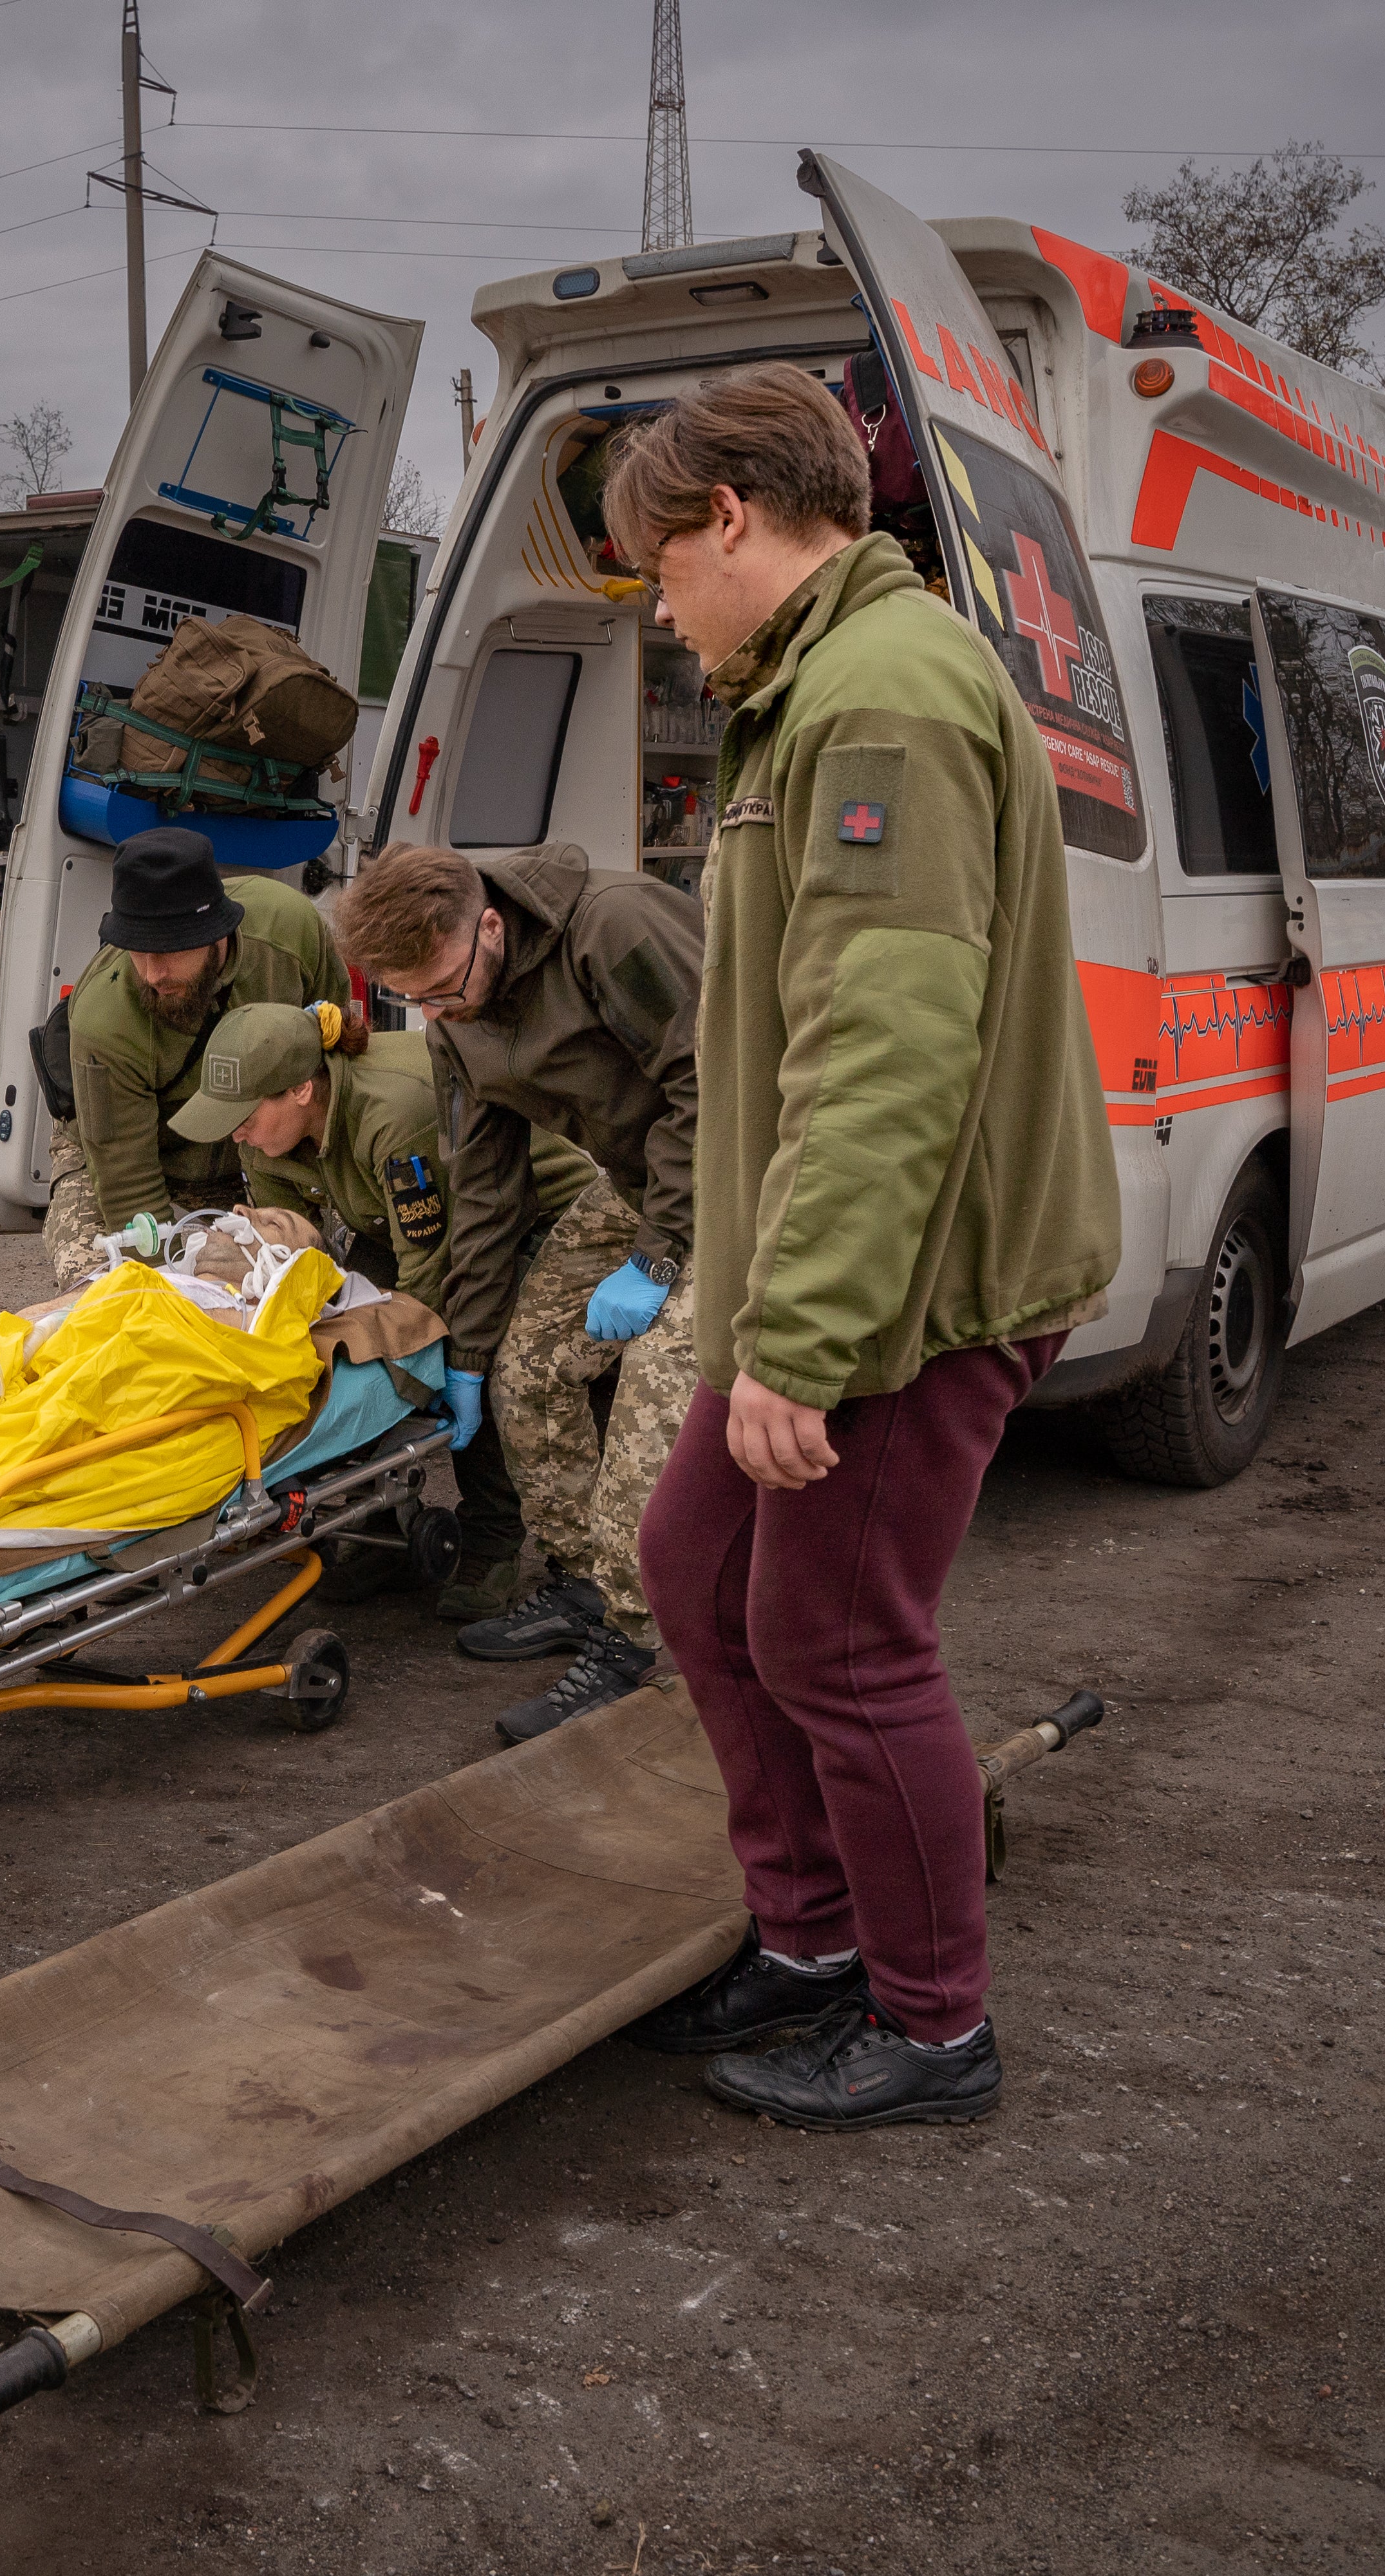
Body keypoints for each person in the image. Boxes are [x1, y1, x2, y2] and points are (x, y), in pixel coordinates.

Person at [603, 365, 1120, 2133]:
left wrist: (804, 1343)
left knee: (834, 1638)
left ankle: (927, 2023)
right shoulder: (811, 687)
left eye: (659, 574)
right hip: (821, 1278)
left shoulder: (880, 696)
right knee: (693, 1566)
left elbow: (885, 1051)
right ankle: (810, 1939)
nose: (665, 623)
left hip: (911, 1288)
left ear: (730, 517)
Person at [334, 837, 704, 1745]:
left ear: (490, 926)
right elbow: (488, 1187)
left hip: (746, 1180)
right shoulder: (452, 1014)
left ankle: (632, 1637)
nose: (436, 1011)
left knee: (651, 1412)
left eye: (445, 987)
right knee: (526, 1369)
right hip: (639, 1190)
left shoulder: (613, 928)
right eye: (414, 998)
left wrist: (659, 1260)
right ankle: (584, 1581)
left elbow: (719, 1083)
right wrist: (465, 1352)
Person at [174, 997, 601, 1602]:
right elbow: (291, 1269)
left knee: (469, 1357)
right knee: (346, 1346)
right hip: (399, 1225)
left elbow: (436, 1268)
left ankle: (491, 1545)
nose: (235, 1130)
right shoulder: (265, 1136)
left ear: (301, 1090)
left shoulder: (393, 1116)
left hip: (532, 1218)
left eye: (245, 1113)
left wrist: (428, 1362)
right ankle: (383, 1519)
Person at [38, 826, 346, 1293]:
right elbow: (129, 1189)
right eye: (138, 951)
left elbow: (339, 1059)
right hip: (132, 1154)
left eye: (169, 951)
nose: (153, 973)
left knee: (310, 1275)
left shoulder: (290, 932)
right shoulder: (106, 1017)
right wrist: (180, 1291)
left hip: (265, 1142)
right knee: (110, 1288)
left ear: (215, 932)